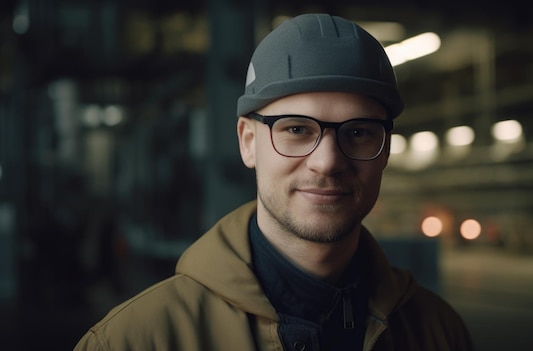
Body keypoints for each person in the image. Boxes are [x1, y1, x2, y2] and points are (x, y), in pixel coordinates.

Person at [74, 13, 474, 351]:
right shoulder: (135, 340)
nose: (328, 161)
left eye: (358, 132)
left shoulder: (439, 333)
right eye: (297, 129)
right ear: (249, 143)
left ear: (385, 150)